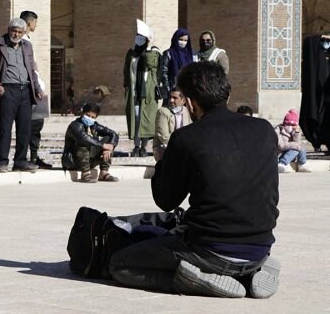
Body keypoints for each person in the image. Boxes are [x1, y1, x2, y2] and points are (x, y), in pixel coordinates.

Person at [110, 61, 280, 299]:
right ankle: (252, 272)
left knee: (120, 265)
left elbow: (165, 200)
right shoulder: (264, 130)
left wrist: (163, 160)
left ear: (189, 102)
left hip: (210, 249)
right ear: (227, 94)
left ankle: (197, 280)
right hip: (261, 247)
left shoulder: (187, 138)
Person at [0, 18, 43, 173]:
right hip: (7, 90)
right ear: (9, 29)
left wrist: (37, 88)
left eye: (19, 32)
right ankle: (2, 161)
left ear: (23, 33)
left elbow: (31, 70)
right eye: (14, 31)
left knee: (25, 128)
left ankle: (20, 161)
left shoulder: (27, 46)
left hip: (26, 90)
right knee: (5, 128)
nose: (16, 34)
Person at [123, 20, 162, 157]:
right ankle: (136, 145)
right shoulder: (131, 54)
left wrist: (149, 46)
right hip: (134, 91)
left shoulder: (153, 53)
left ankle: (144, 146)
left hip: (148, 92)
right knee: (136, 118)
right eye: (137, 36)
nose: (138, 38)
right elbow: (126, 72)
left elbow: (151, 64)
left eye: (142, 37)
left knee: (146, 119)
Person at [20, 10, 52, 169]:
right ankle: (26, 157)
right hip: (30, 89)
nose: (36, 25)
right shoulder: (22, 41)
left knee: (37, 123)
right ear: (29, 22)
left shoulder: (28, 40)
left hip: (36, 87)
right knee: (31, 125)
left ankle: (33, 155)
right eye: (35, 22)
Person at [62, 102, 119, 183]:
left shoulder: (94, 125)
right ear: (83, 113)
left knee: (108, 139)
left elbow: (113, 134)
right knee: (84, 142)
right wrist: (103, 145)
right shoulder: (75, 125)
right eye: (88, 116)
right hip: (73, 161)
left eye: (93, 117)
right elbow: (83, 138)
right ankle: (85, 174)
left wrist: (110, 146)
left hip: (90, 160)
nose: (90, 118)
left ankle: (104, 173)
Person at [300, 34, 330, 154]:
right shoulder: (314, 63)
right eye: (324, 41)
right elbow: (308, 42)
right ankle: (316, 142)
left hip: (326, 100)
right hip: (316, 97)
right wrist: (320, 37)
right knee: (314, 118)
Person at [153, 87, 191, 161]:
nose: (171, 100)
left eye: (175, 98)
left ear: (183, 100)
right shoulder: (163, 112)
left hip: (182, 147)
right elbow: (163, 136)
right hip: (164, 147)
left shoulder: (187, 111)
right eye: (170, 97)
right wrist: (179, 148)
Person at [161, 28, 195, 98]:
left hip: (187, 90)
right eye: (181, 39)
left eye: (185, 40)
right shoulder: (168, 53)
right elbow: (164, 72)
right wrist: (169, 90)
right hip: (173, 90)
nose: (183, 42)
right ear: (175, 39)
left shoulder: (189, 54)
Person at [276, 109, 310, 173]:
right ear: (284, 123)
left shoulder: (293, 132)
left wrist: (296, 133)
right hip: (280, 154)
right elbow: (281, 145)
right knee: (297, 147)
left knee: (299, 147)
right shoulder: (278, 131)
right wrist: (295, 145)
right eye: (288, 124)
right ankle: (282, 164)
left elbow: (297, 143)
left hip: (291, 155)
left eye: (293, 125)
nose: (290, 127)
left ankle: (301, 165)